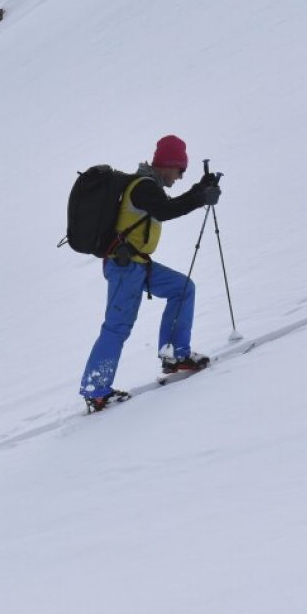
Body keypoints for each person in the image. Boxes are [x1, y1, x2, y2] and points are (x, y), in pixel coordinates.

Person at [80, 135, 222, 412]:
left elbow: (166, 205)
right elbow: (166, 210)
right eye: (180, 169)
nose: (180, 176)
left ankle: (175, 355)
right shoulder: (144, 187)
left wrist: (199, 190)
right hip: (125, 268)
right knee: (117, 326)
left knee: (182, 288)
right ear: (168, 164)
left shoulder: (149, 187)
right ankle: (96, 389)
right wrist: (200, 197)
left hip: (137, 264)